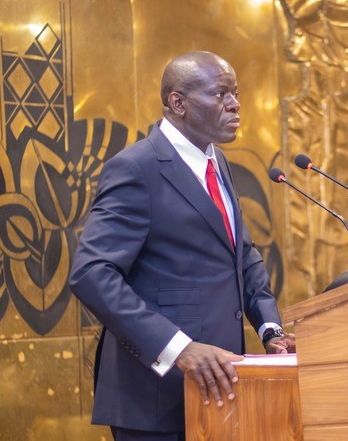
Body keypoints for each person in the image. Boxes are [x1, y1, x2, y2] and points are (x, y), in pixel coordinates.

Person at [69, 51, 295, 441]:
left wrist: (270, 327)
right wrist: (179, 349)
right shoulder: (136, 167)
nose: (235, 104)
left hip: (220, 389)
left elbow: (240, 253)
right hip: (155, 397)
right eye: (221, 94)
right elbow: (91, 273)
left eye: (236, 93)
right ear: (178, 103)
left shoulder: (217, 162)